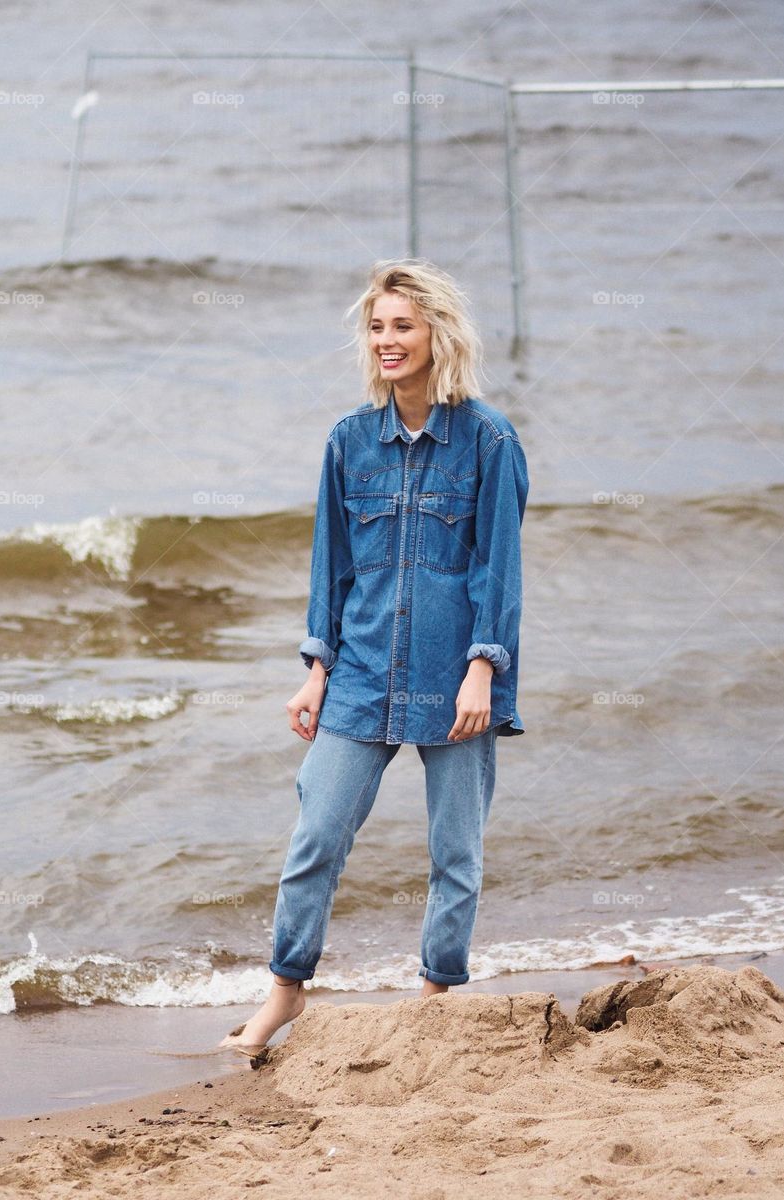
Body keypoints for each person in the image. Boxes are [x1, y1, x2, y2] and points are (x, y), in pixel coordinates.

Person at [221, 259, 529, 1064]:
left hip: (455, 676)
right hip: (358, 673)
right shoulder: (348, 441)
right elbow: (333, 567)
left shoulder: (490, 440)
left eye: (403, 325)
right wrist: (316, 667)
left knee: (453, 850)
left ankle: (435, 997)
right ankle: (284, 991)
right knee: (316, 833)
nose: (387, 340)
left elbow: (498, 569)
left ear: (438, 334)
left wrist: (484, 667)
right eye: (377, 326)